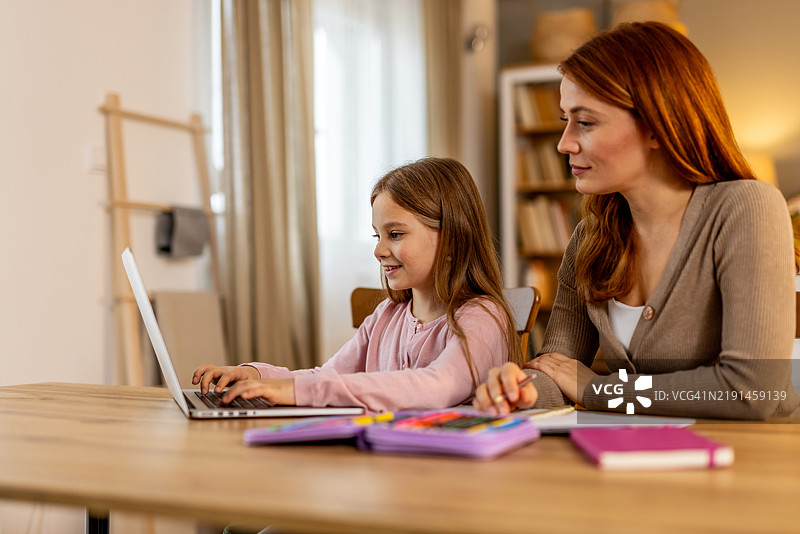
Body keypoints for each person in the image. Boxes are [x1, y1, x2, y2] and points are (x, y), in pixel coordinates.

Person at [474, 21, 800, 420]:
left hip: (748, 464)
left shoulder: (747, 207)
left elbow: (752, 390)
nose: (565, 143)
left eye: (586, 122)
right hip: (636, 462)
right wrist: (518, 391)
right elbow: (557, 368)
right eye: (565, 120)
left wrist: (599, 390)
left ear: (658, 128)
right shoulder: (590, 237)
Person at [194, 157, 523, 413]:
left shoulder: (482, 317)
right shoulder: (386, 316)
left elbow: (436, 387)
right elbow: (327, 376)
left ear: (451, 239)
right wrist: (260, 377)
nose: (379, 250)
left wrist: (294, 390)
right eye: (377, 235)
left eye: (395, 234)